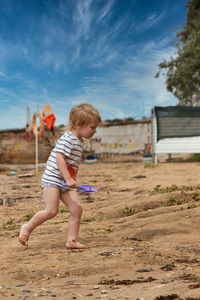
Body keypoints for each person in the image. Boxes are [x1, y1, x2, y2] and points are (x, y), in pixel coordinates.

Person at [18, 103, 101, 249]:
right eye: (92, 127)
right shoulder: (68, 138)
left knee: (77, 209)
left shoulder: (79, 140)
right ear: (79, 124)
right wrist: (68, 178)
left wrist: (69, 179)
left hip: (65, 181)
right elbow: (59, 158)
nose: (95, 131)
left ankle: (71, 241)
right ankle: (27, 227)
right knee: (51, 211)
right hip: (53, 179)